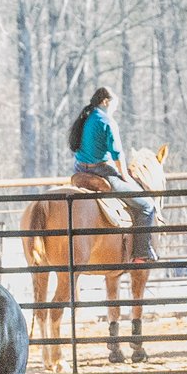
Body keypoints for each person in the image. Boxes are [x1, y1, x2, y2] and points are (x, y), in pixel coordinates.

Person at [66, 86, 160, 262]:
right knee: (146, 205)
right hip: (101, 171)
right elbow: (117, 153)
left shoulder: (85, 118)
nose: (114, 110)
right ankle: (141, 253)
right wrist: (124, 175)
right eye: (114, 106)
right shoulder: (106, 121)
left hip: (79, 170)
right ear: (106, 102)